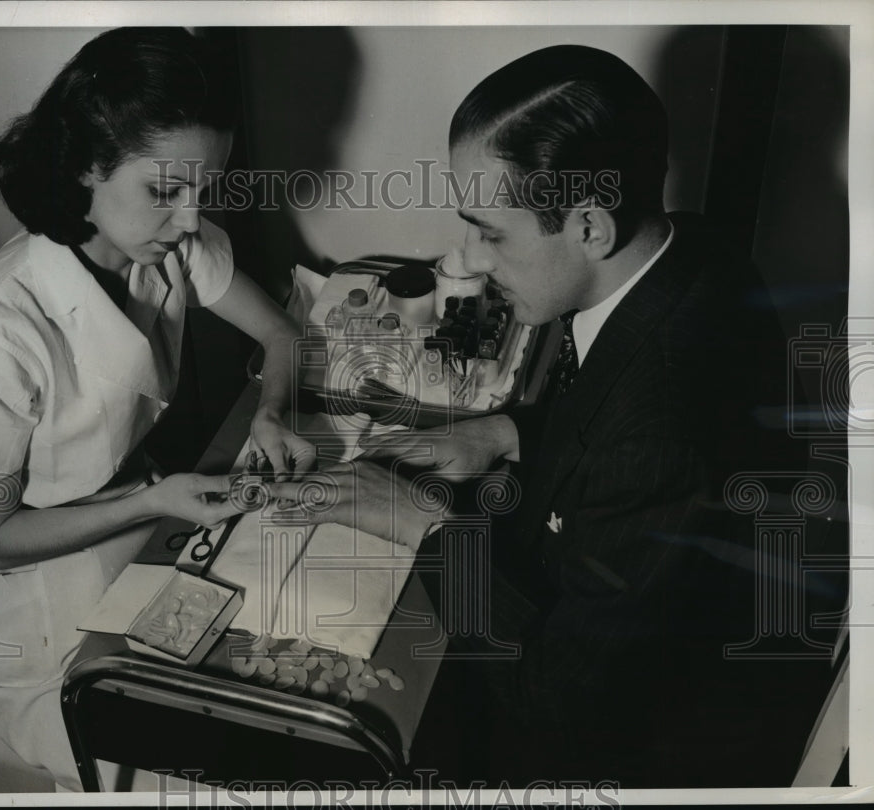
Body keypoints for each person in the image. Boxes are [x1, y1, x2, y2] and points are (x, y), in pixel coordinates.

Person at [271, 45, 826, 786]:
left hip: (637, 747)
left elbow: (559, 701)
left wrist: (423, 525)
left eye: (491, 232)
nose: (466, 258)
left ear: (590, 227)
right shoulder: (690, 249)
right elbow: (607, 399)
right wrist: (505, 432)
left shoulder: (659, 435)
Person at [0, 27, 315, 790]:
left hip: (133, 531)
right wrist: (154, 497)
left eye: (203, 191)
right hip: (29, 615)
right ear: (85, 167)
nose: (191, 220)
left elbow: (283, 336)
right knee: (201, 769)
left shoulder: (167, 243)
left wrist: (272, 408)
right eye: (165, 192)